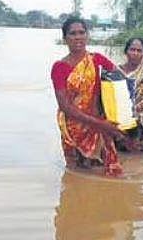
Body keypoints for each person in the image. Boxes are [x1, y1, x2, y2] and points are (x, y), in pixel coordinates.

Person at [51, 17, 126, 176]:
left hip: (100, 124)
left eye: (81, 32)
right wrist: (101, 124)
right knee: (76, 176)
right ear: (65, 39)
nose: (78, 37)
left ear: (87, 35)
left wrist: (120, 114)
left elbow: (121, 79)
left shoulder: (97, 60)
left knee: (110, 172)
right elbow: (65, 106)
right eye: (72, 33)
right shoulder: (60, 68)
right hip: (74, 129)